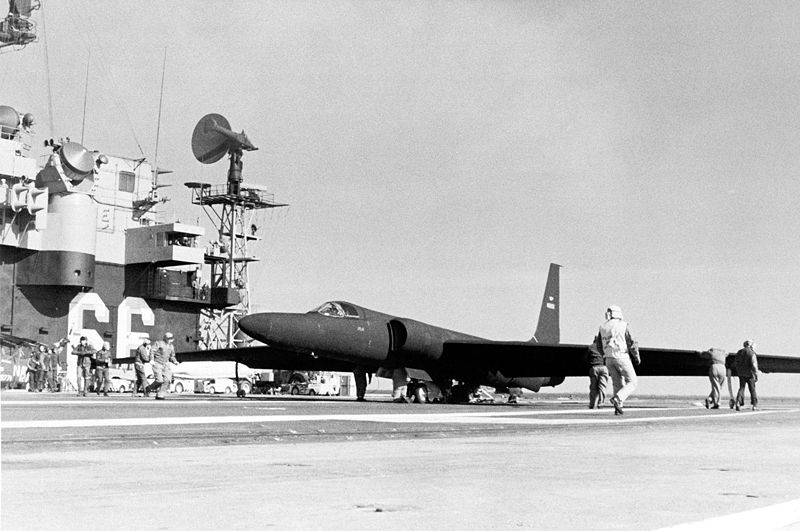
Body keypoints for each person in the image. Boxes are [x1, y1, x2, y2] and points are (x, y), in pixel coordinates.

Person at [594, 305, 639, 415]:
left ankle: (618, 408)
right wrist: (636, 356)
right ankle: (618, 399)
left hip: (608, 359)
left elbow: (598, 345)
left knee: (617, 383)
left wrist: (605, 354)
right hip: (621, 356)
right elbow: (632, 343)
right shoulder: (623, 325)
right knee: (632, 382)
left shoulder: (602, 327)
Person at [148, 332, 178, 400]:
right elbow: (152, 351)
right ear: (165, 338)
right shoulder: (159, 343)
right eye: (169, 338)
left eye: (171, 338)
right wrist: (151, 359)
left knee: (167, 380)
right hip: (157, 363)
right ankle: (149, 388)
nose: (170, 340)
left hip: (166, 364)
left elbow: (172, 356)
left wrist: (175, 361)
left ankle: (160, 394)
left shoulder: (171, 346)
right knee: (159, 380)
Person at [734, 340, 759, 411]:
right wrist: (756, 374)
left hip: (741, 373)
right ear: (751, 345)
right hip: (750, 374)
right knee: (752, 389)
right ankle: (754, 405)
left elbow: (736, 362)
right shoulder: (751, 353)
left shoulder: (739, 352)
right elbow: (754, 365)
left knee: (741, 388)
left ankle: (738, 403)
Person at [586, 342, 609, 409]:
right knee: (602, 387)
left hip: (594, 367)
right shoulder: (605, 347)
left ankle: (592, 404)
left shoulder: (590, 347)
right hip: (603, 367)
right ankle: (601, 403)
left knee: (593, 387)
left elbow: (586, 357)